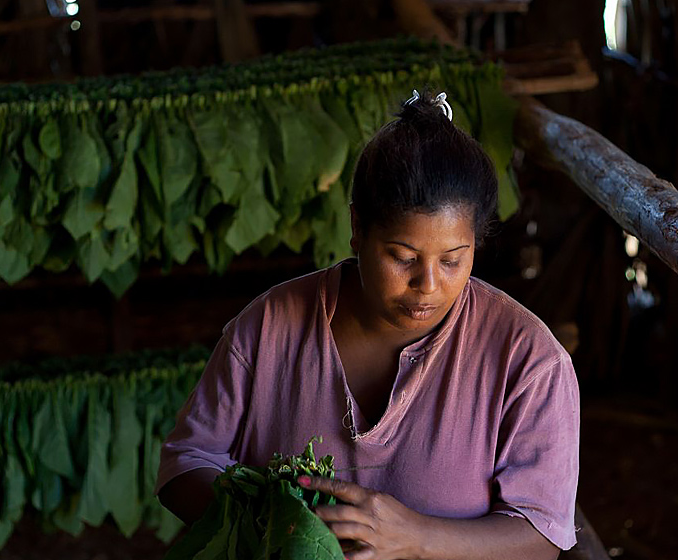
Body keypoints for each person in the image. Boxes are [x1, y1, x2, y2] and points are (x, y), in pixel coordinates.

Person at [157, 90, 580, 560]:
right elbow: (184, 463)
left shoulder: (529, 361)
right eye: (402, 257)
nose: (428, 285)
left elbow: (540, 535)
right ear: (357, 228)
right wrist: (278, 519)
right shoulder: (269, 327)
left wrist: (414, 538)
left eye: (453, 260)